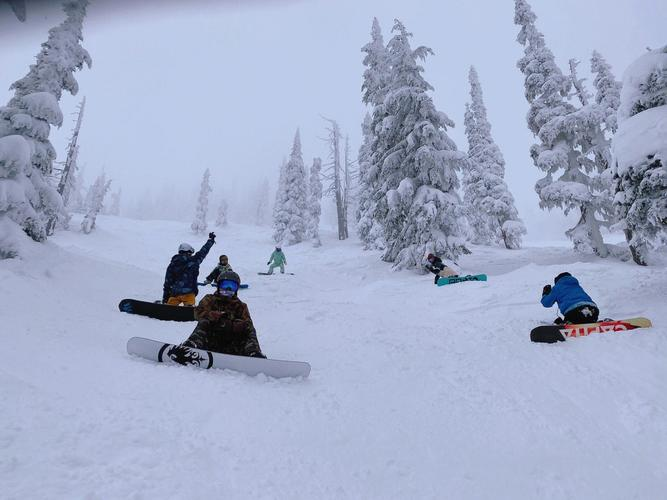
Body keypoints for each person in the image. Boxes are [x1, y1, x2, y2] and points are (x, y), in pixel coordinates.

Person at [181, 271, 266, 358]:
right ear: (218, 286)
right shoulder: (210, 299)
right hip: (210, 342)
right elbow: (197, 313)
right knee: (205, 321)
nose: (228, 289)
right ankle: (192, 345)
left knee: (249, 328)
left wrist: (235, 324)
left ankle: (253, 353)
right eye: (225, 285)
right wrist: (212, 315)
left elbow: (247, 323)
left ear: (236, 289)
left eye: (232, 286)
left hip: (233, 345)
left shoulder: (241, 306)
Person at [162, 232, 216, 306]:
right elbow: (203, 252)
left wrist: (165, 298)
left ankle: (168, 308)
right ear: (189, 252)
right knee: (189, 311)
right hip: (189, 293)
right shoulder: (194, 261)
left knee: (169, 308)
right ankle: (189, 308)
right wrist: (210, 240)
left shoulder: (173, 264)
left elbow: (167, 282)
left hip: (175, 293)